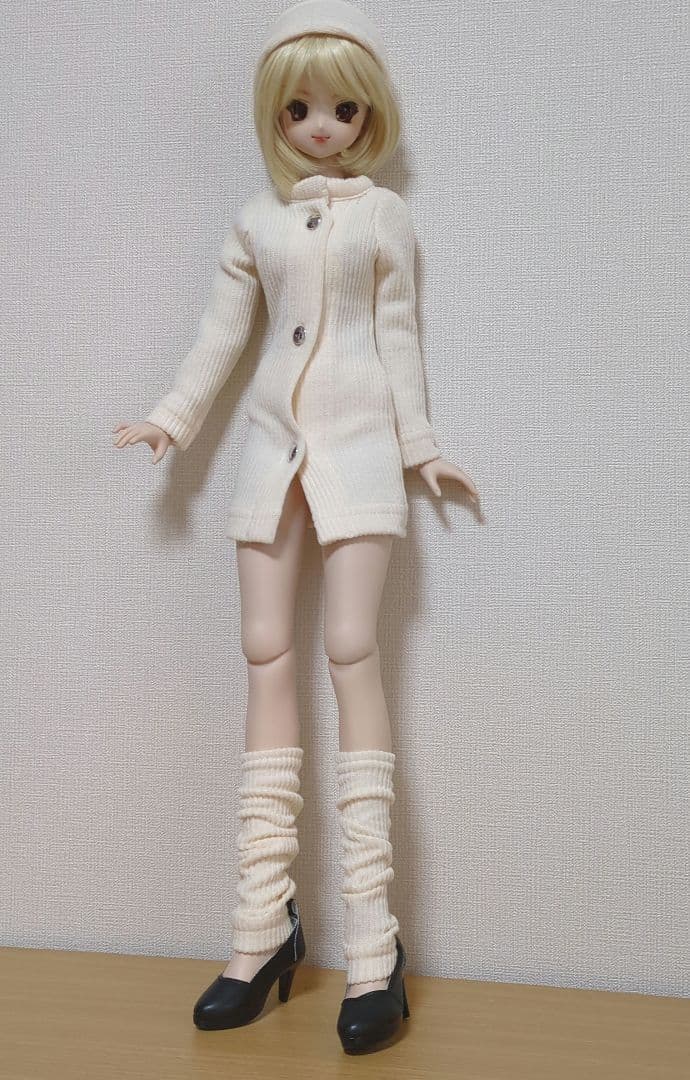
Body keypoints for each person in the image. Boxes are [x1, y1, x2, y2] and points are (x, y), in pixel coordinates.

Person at [112, 0, 482, 1054]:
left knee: (352, 650)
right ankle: (260, 932)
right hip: (269, 458)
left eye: (343, 110)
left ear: (371, 117)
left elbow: (400, 338)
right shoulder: (257, 223)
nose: (322, 127)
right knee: (264, 650)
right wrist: (173, 418)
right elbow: (221, 336)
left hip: (360, 457)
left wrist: (420, 446)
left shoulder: (384, 218)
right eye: (301, 110)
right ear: (276, 117)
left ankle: (373, 947)